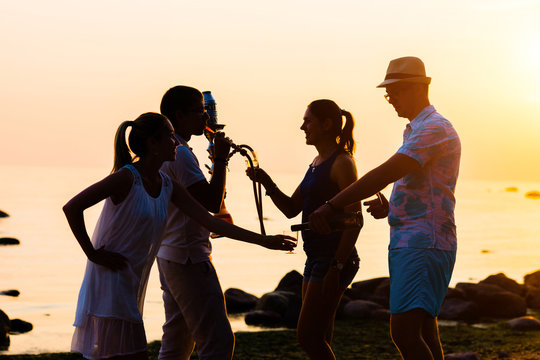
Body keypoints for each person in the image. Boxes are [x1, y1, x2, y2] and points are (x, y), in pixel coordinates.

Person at [63, 112, 295, 360]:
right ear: (153, 144)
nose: (176, 143)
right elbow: (72, 207)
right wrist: (93, 253)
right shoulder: (127, 177)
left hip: (133, 282)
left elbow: (209, 220)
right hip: (109, 280)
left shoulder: (166, 183)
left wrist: (263, 240)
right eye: (170, 137)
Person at [309, 57, 461, 360]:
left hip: (423, 242)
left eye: (395, 92)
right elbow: (426, 188)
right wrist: (392, 208)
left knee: (404, 333)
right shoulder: (418, 130)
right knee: (425, 331)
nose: (390, 99)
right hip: (416, 240)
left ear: (418, 87)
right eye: (388, 93)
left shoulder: (433, 129)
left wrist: (331, 205)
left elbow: (384, 172)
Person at [246, 99, 361, 360]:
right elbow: (291, 208)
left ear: (327, 124)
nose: (302, 127)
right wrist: (266, 181)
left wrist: (337, 266)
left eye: (308, 121)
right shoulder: (316, 162)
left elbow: (356, 220)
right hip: (315, 258)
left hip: (333, 259)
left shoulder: (342, 163)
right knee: (320, 337)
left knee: (307, 336)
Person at [155, 85, 250, 360]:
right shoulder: (180, 153)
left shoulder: (172, 150)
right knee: (218, 343)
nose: (205, 118)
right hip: (189, 258)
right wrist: (219, 158)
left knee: (176, 344)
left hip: (169, 254)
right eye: (199, 111)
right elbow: (210, 202)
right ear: (179, 114)